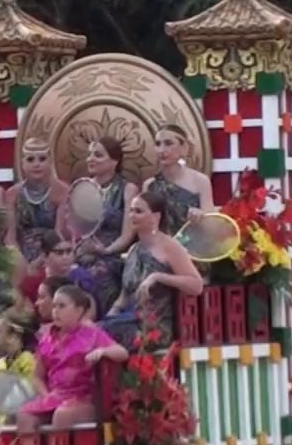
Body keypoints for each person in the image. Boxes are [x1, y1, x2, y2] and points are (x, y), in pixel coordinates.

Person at [102, 192, 205, 351]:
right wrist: (108, 317)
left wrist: (158, 277)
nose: (132, 216)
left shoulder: (170, 246)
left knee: (106, 336)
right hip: (131, 321)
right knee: (94, 333)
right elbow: (123, 299)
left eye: (139, 211)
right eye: (131, 211)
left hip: (156, 328)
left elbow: (196, 285)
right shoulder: (133, 250)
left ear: (156, 217)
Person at [19, 285, 127, 432]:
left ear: (79, 310)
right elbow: (37, 377)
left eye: (62, 306)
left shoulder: (92, 334)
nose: (56, 311)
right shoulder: (47, 339)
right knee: (25, 416)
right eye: (54, 306)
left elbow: (122, 353)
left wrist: (103, 351)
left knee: (62, 415)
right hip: (56, 396)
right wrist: (47, 396)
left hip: (84, 398)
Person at [76, 137, 140, 314]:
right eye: (89, 155)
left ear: (114, 161)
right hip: (85, 251)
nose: (91, 159)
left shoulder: (128, 189)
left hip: (114, 253)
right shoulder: (83, 188)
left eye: (98, 155)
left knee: (98, 273)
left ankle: (102, 325)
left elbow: (127, 236)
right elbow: (76, 228)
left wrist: (105, 250)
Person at [6, 137, 70, 270]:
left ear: (50, 162)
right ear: (22, 163)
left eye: (42, 159)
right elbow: (10, 238)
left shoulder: (62, 191)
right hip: (20, 257)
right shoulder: (12, 194)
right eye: (30, 159)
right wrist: (22, 264)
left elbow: (59, 234)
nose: (36, 164)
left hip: (52, 256)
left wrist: (41, 261)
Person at [142, 125, 214, 236]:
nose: (161, 150)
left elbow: (212, 223)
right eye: (158, 144)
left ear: (183, 147)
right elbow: (144, 225)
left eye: (168, 143)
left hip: (193, 246)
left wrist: (201, 216)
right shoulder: (150, 185)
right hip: (160, 247)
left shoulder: (200, 181)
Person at [20, 230, 96, 310]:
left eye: (69, 251)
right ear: (45, 256)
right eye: (59, 253)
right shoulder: (34, 281)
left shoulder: (83, 278)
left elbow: (89, 313)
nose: (65, 257)